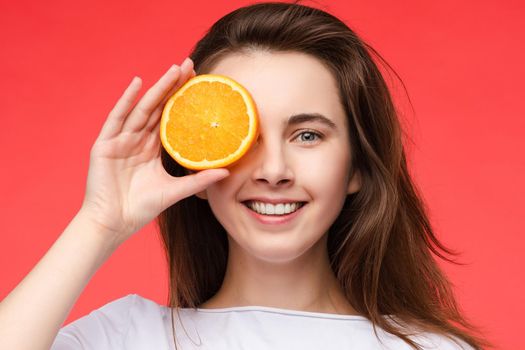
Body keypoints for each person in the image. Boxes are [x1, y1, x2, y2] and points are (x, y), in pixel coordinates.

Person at [0, 1, 490, 349]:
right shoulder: (127, 336)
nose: (273, 171)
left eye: (308, 136)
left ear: (358, 166)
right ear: (197, 160)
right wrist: (100, 222)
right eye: (247, 138)